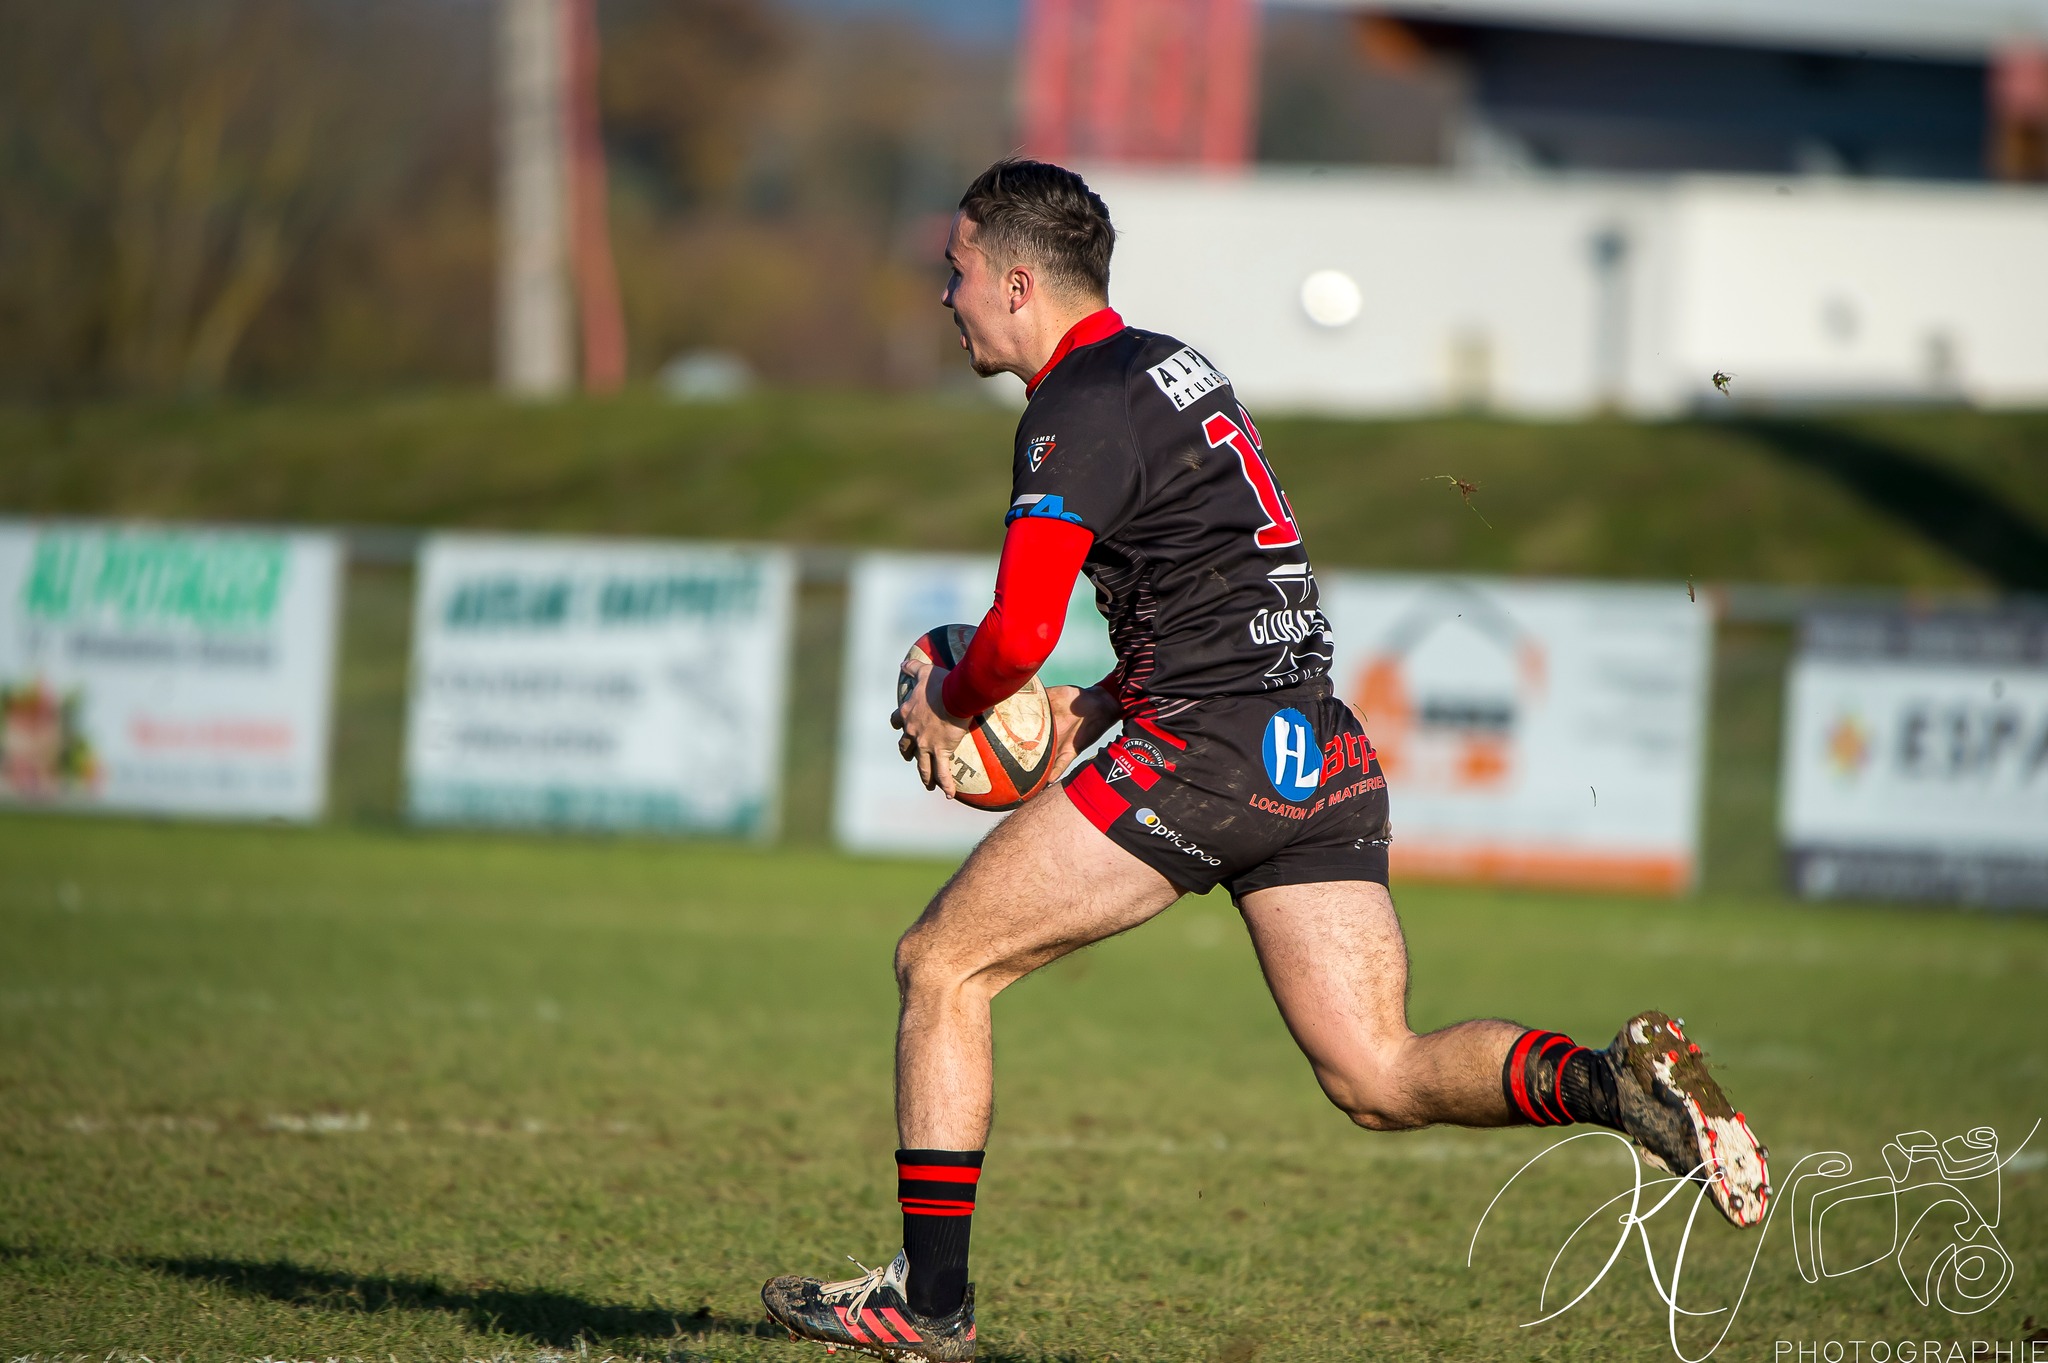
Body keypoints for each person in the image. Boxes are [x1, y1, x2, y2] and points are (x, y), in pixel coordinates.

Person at [761, 159, 1769, 1362]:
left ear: (1017, 280)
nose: (946, 296)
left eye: (957, 270)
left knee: (941, 967)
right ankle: (1610, 1084)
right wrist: (1085, 710)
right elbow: (1210, 585)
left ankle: (925, 1307)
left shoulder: (1072, 404)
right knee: (1378, 1072)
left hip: (1210, 749)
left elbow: (1017, 632)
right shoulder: (1172, 368)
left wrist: (956, 700)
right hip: (1313, 740)